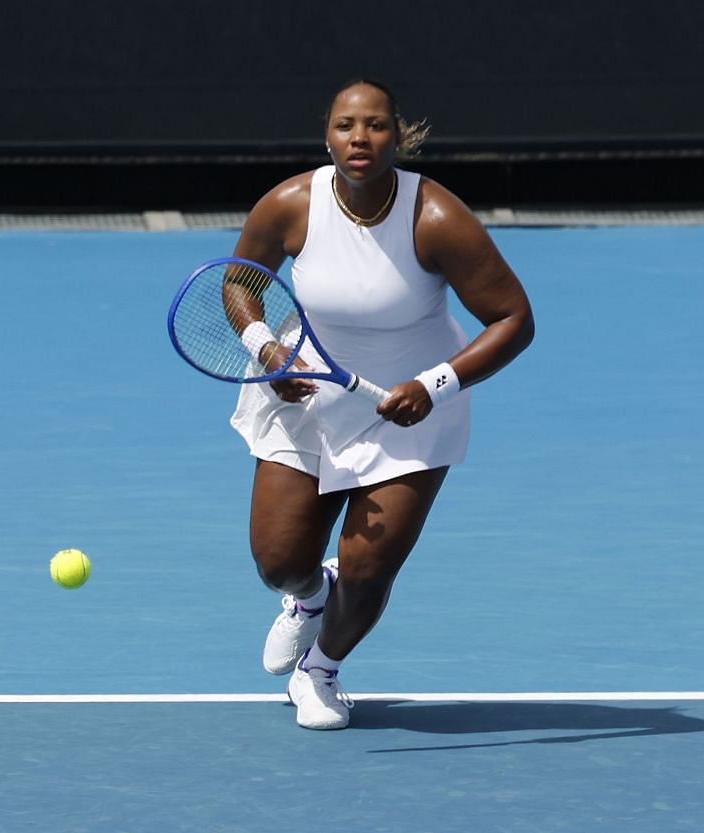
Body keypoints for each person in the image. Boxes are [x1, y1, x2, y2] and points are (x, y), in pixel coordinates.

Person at [226, 78, 534, 728]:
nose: (359, 138)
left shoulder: (436, 218)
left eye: (374, 126)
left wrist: (435, 385)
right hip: (304, 394)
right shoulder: (291, 205)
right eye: (345, 126)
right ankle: (310, 599)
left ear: (399, 135)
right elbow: (239, 283)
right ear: (327, 135)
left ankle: (323, 671)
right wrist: (266, 352)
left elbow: (513, 319)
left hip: (410, 407)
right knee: (280, 561)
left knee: (368, 568)